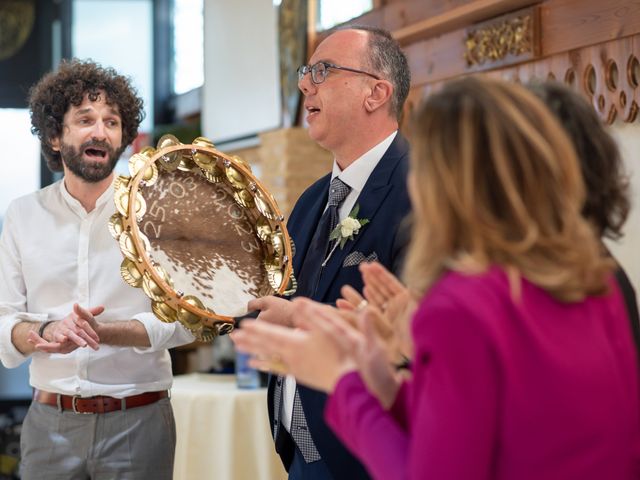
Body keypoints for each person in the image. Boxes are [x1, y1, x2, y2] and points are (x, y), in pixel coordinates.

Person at [232, 77, 640, 479]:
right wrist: (382, 378)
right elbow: (502, 419)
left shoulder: (460, 305)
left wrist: (342, 382)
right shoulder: (591, 276)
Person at [0, 59, 194, 479]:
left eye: (112, 121)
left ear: (123, 138)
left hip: (139, 421)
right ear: (55, 135)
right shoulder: (22, 215)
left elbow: (184, 320)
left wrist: (104, 333)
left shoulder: (157, 210)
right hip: (49, 422)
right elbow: (5, 321)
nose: (101, 131)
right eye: (85, 119)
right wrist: (46, 332)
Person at [246, 25, 412, 479]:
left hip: (372, 456)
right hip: (300, 452)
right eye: (305, 72)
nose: (305, 84)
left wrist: (299, 318)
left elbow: (421, 336)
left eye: (323, 71)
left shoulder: (420, 190)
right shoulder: (311, 200)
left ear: (376, 93)